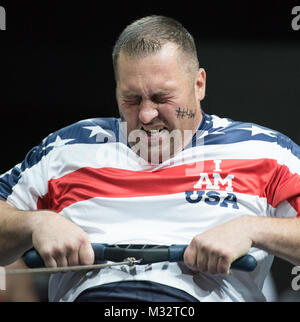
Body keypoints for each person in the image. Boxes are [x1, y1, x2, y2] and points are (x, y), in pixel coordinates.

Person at [0, 15, 300, 302]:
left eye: (161, 98)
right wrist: (35, 223)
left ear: (199, 85)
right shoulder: (65, 148)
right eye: (130, 99)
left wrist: (251, 229)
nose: (145, 115)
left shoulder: (265, 151)